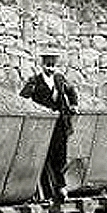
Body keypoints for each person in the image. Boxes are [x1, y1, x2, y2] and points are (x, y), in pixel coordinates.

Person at [20, 51, 77, 200]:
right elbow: (23, 98)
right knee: (44, 156)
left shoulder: (60, 79)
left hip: (60, 125)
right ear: (42, 65)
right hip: (42, 126)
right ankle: (45, 189)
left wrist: (73, 105)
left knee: (60, 157)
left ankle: (60, 187)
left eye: (53, 66)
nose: (50, 69)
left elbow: (71, 91)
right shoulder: (35, 81)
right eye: (48, 65)